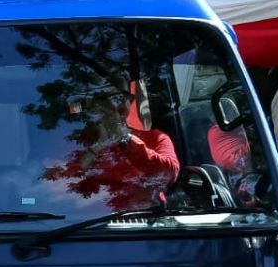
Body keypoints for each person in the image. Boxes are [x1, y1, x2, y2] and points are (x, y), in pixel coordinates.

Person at [44, 88, 180, 212]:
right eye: (102, 103)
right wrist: (99, 144)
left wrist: (123, 137)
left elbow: (167, 173)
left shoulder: (154, 137)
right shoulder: (69, 141)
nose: (111, 110)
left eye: (120, 100)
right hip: (79, 219)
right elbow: (59, 183)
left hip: (140, 220)